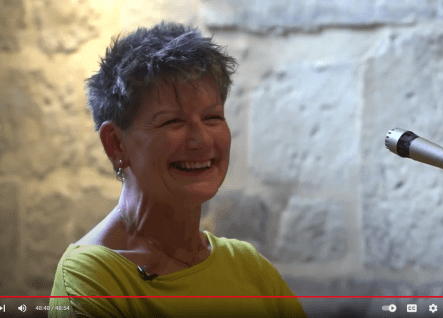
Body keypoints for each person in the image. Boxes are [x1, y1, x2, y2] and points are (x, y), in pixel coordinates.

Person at [49, 21, 308, 317]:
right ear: (116, 145)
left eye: (212, 117)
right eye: (173, 121)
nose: (201, 139)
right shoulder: (92, 279)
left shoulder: (249, 267)